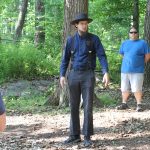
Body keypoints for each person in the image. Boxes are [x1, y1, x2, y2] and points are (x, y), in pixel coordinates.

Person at [60, 13, 109, 147]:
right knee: (73, 106)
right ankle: (74, 135)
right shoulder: (70, 40)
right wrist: (62, 75)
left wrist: (105, 72)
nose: (84, 25)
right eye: (82, 23)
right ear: (76, 25)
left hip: (88, 75)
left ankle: (87, 136)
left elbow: (102, 56)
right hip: (74, 75)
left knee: (87, 107)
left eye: (86, 23)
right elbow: (65, 59)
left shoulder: (94, 39)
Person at [117, 26, 150, 112]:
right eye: (131, 32)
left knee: (137, 88)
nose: (133, 34)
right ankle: (124, 103)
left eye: (135, 32)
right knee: (124, 88)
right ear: (129, 34)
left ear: (138, 34)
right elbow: (122, 54)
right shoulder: (124, 43)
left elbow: (147, 56)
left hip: (137, 70)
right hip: (125, 70)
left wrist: (139, 63)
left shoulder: (143, 43)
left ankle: (139, 104)